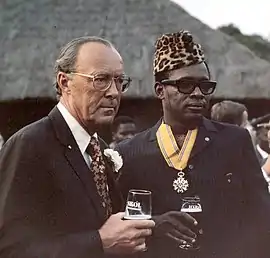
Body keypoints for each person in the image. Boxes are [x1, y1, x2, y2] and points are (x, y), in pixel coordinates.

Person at [116, 31, 270, 258]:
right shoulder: (129, 153)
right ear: (160, 90)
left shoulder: (234, 141)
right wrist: (154, 225)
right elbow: (120, 228)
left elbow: (261, 217)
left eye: (204, 86)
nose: (198, 94)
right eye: (186, 85)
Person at [0, 36, 155, 258]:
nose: (114, 92)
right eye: (100, 79)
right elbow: (11, 250)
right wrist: (100, 242)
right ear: (65, 83)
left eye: (120, 81)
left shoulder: (98, 147)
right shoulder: (29, 145)